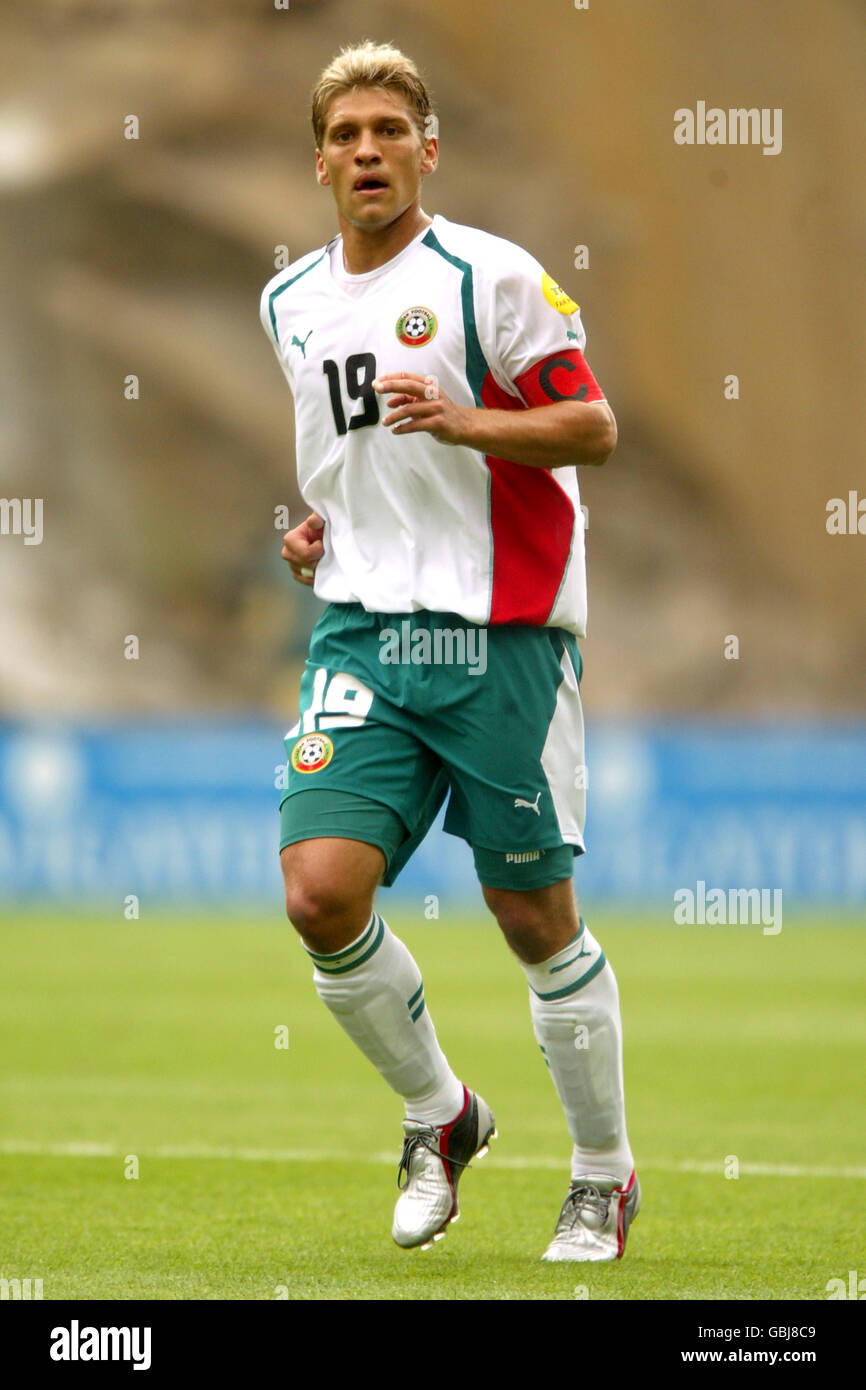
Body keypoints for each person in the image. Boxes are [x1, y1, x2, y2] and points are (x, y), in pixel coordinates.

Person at [260, 39, 638, 1261]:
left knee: (531, 916)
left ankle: (599, 1175)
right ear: (318, 157)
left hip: (502, 632)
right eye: (344, 133)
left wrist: (469, 418)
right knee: (320, 893)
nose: (366, 150)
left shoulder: (493, 276)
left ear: (428, 147)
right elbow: (348, 458)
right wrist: (324, 531)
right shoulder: (289, 302)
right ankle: (441, 1113)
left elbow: (591, 424)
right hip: (365, 629)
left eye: (389, 129)